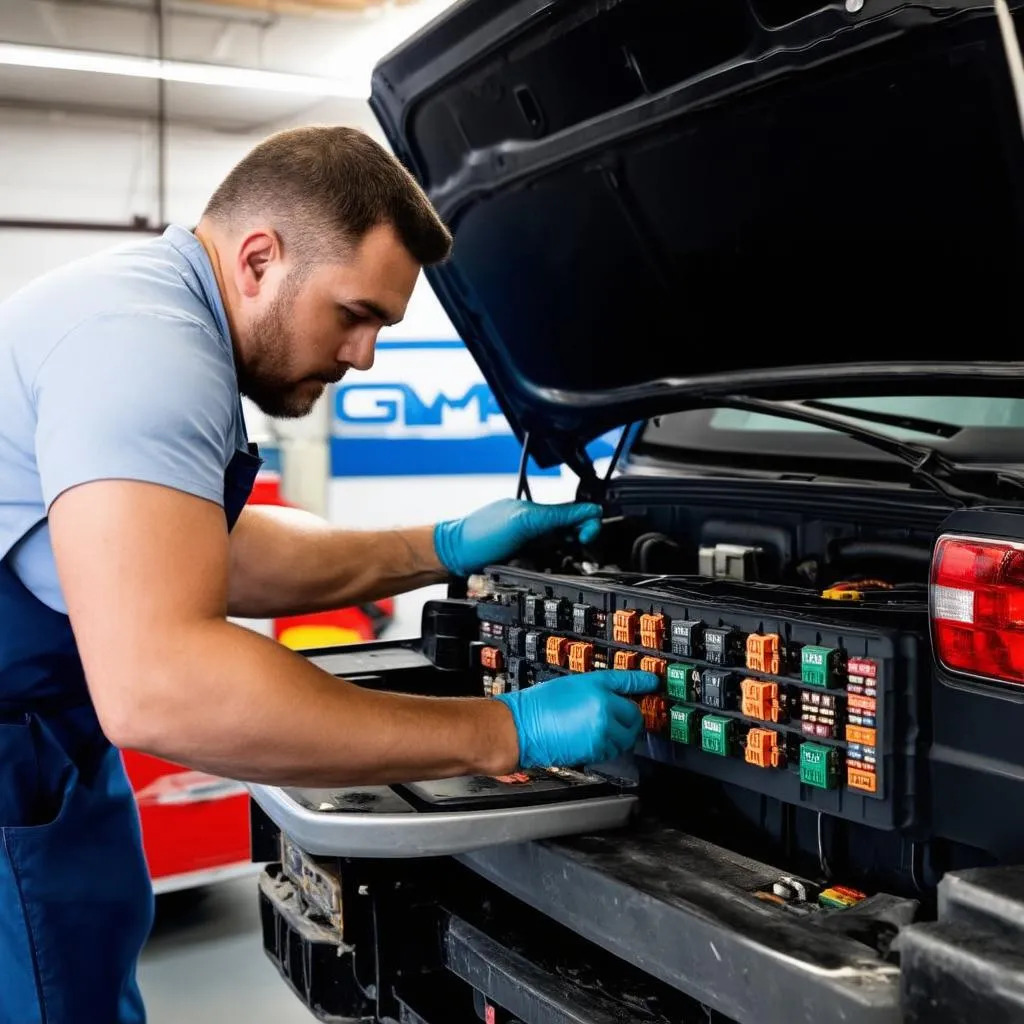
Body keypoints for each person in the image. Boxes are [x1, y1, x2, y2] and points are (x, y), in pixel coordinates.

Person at [0, 125, 657, 1023]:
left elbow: (206, 554)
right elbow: (160, 688)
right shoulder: (147, 347)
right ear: (259, 259)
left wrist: (445, 543)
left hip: (45, 749)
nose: (365, 357)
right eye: (356, 314)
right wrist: (503, 731)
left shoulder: (135, 311)